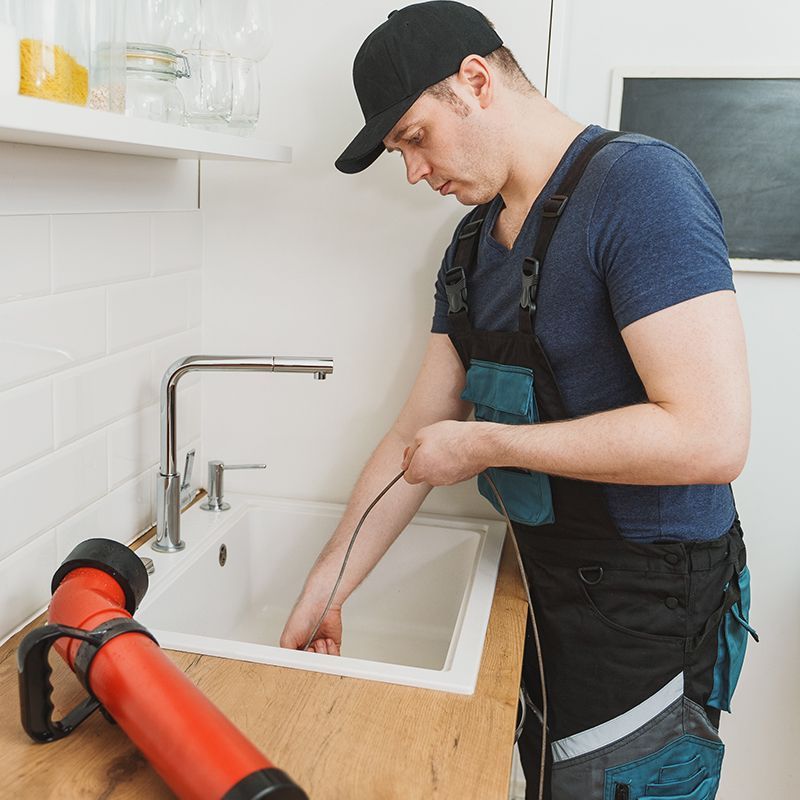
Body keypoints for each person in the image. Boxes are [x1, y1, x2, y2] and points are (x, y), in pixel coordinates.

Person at [280, 3, 756, 798]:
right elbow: (416, 436)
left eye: (416, 138)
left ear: (475, 80)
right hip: (543, 589)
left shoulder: (641, 186)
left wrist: (487, 446)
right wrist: (324, 594)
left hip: (649, 613)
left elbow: (710, 436)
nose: (415, 173)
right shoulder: (471, 245)